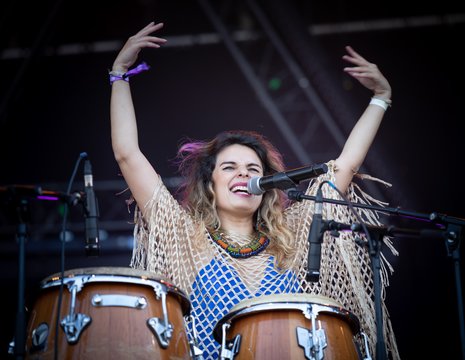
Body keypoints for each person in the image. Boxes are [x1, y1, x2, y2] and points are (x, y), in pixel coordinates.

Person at [110, 22, 400, 359]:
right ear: (210, 183)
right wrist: (119, 75)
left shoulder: (291, 237)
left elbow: (344, 168)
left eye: (253, 170)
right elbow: (128, 156)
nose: (243, 175)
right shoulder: (182, 237)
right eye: (230, 168)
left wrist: (381, 98)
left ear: (267, 185)